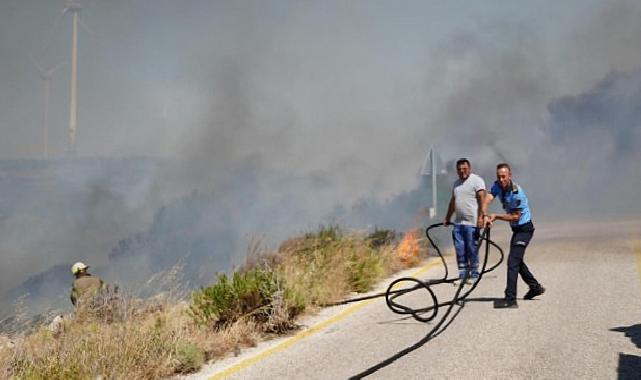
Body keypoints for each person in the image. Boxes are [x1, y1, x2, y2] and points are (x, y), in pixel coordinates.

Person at [482, 163, 545, 308]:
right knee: (517, 261)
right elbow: (487, 198)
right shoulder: (498, 185)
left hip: (525, 229)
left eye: (504, 176)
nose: (501, 179)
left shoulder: (517, 193)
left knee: (512, 262)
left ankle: (510, 299)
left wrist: (496, 217)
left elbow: (515, 217)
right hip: (516, 230)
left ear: (510, 176)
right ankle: (535, 287)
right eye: (499, 177)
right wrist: (484, 215)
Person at [444, 158, 486, 281]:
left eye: (464, 169)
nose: (462, 171)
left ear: (469, 168)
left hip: (472, 223)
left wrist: (481, 217)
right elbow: (453, 202)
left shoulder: (477, 181)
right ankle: (463, 275)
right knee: (460, 249)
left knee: (472, 249)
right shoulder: (456, 183)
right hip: (458, 223)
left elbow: (482, 199)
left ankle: (474, 274)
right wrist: (447, 217)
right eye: (459, 169)